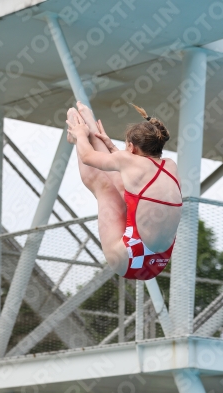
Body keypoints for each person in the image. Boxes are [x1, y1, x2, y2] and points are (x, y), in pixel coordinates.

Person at [66, 102, 182, 280]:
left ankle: (79, 130)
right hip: (158, 263)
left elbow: (87, 157)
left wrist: (81, 136)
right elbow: (132, 169)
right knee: (123, 188)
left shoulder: (128, 161)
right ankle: (87, 126)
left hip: (129, 259)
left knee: (104, 188)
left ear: (131, 148)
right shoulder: (171, 166)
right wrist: (111, 147)